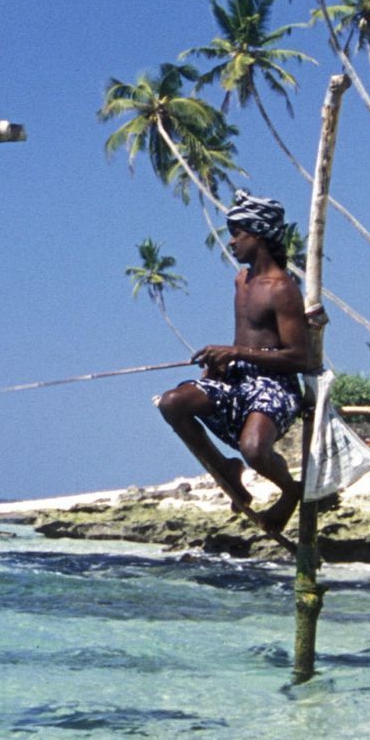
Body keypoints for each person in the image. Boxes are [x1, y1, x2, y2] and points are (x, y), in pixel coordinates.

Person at [155, 193, 316, 542]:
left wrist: (236, 351)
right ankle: (228, 471)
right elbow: (244, 338)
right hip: (239, 378)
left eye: (237, 233)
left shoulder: (283, 289)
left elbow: (298, 357)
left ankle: (290, 491)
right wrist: (220, 365)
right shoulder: (241, 281)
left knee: (255, 449)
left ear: (257, 235)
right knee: (171, 402)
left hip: (277, 385)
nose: (231, 242)